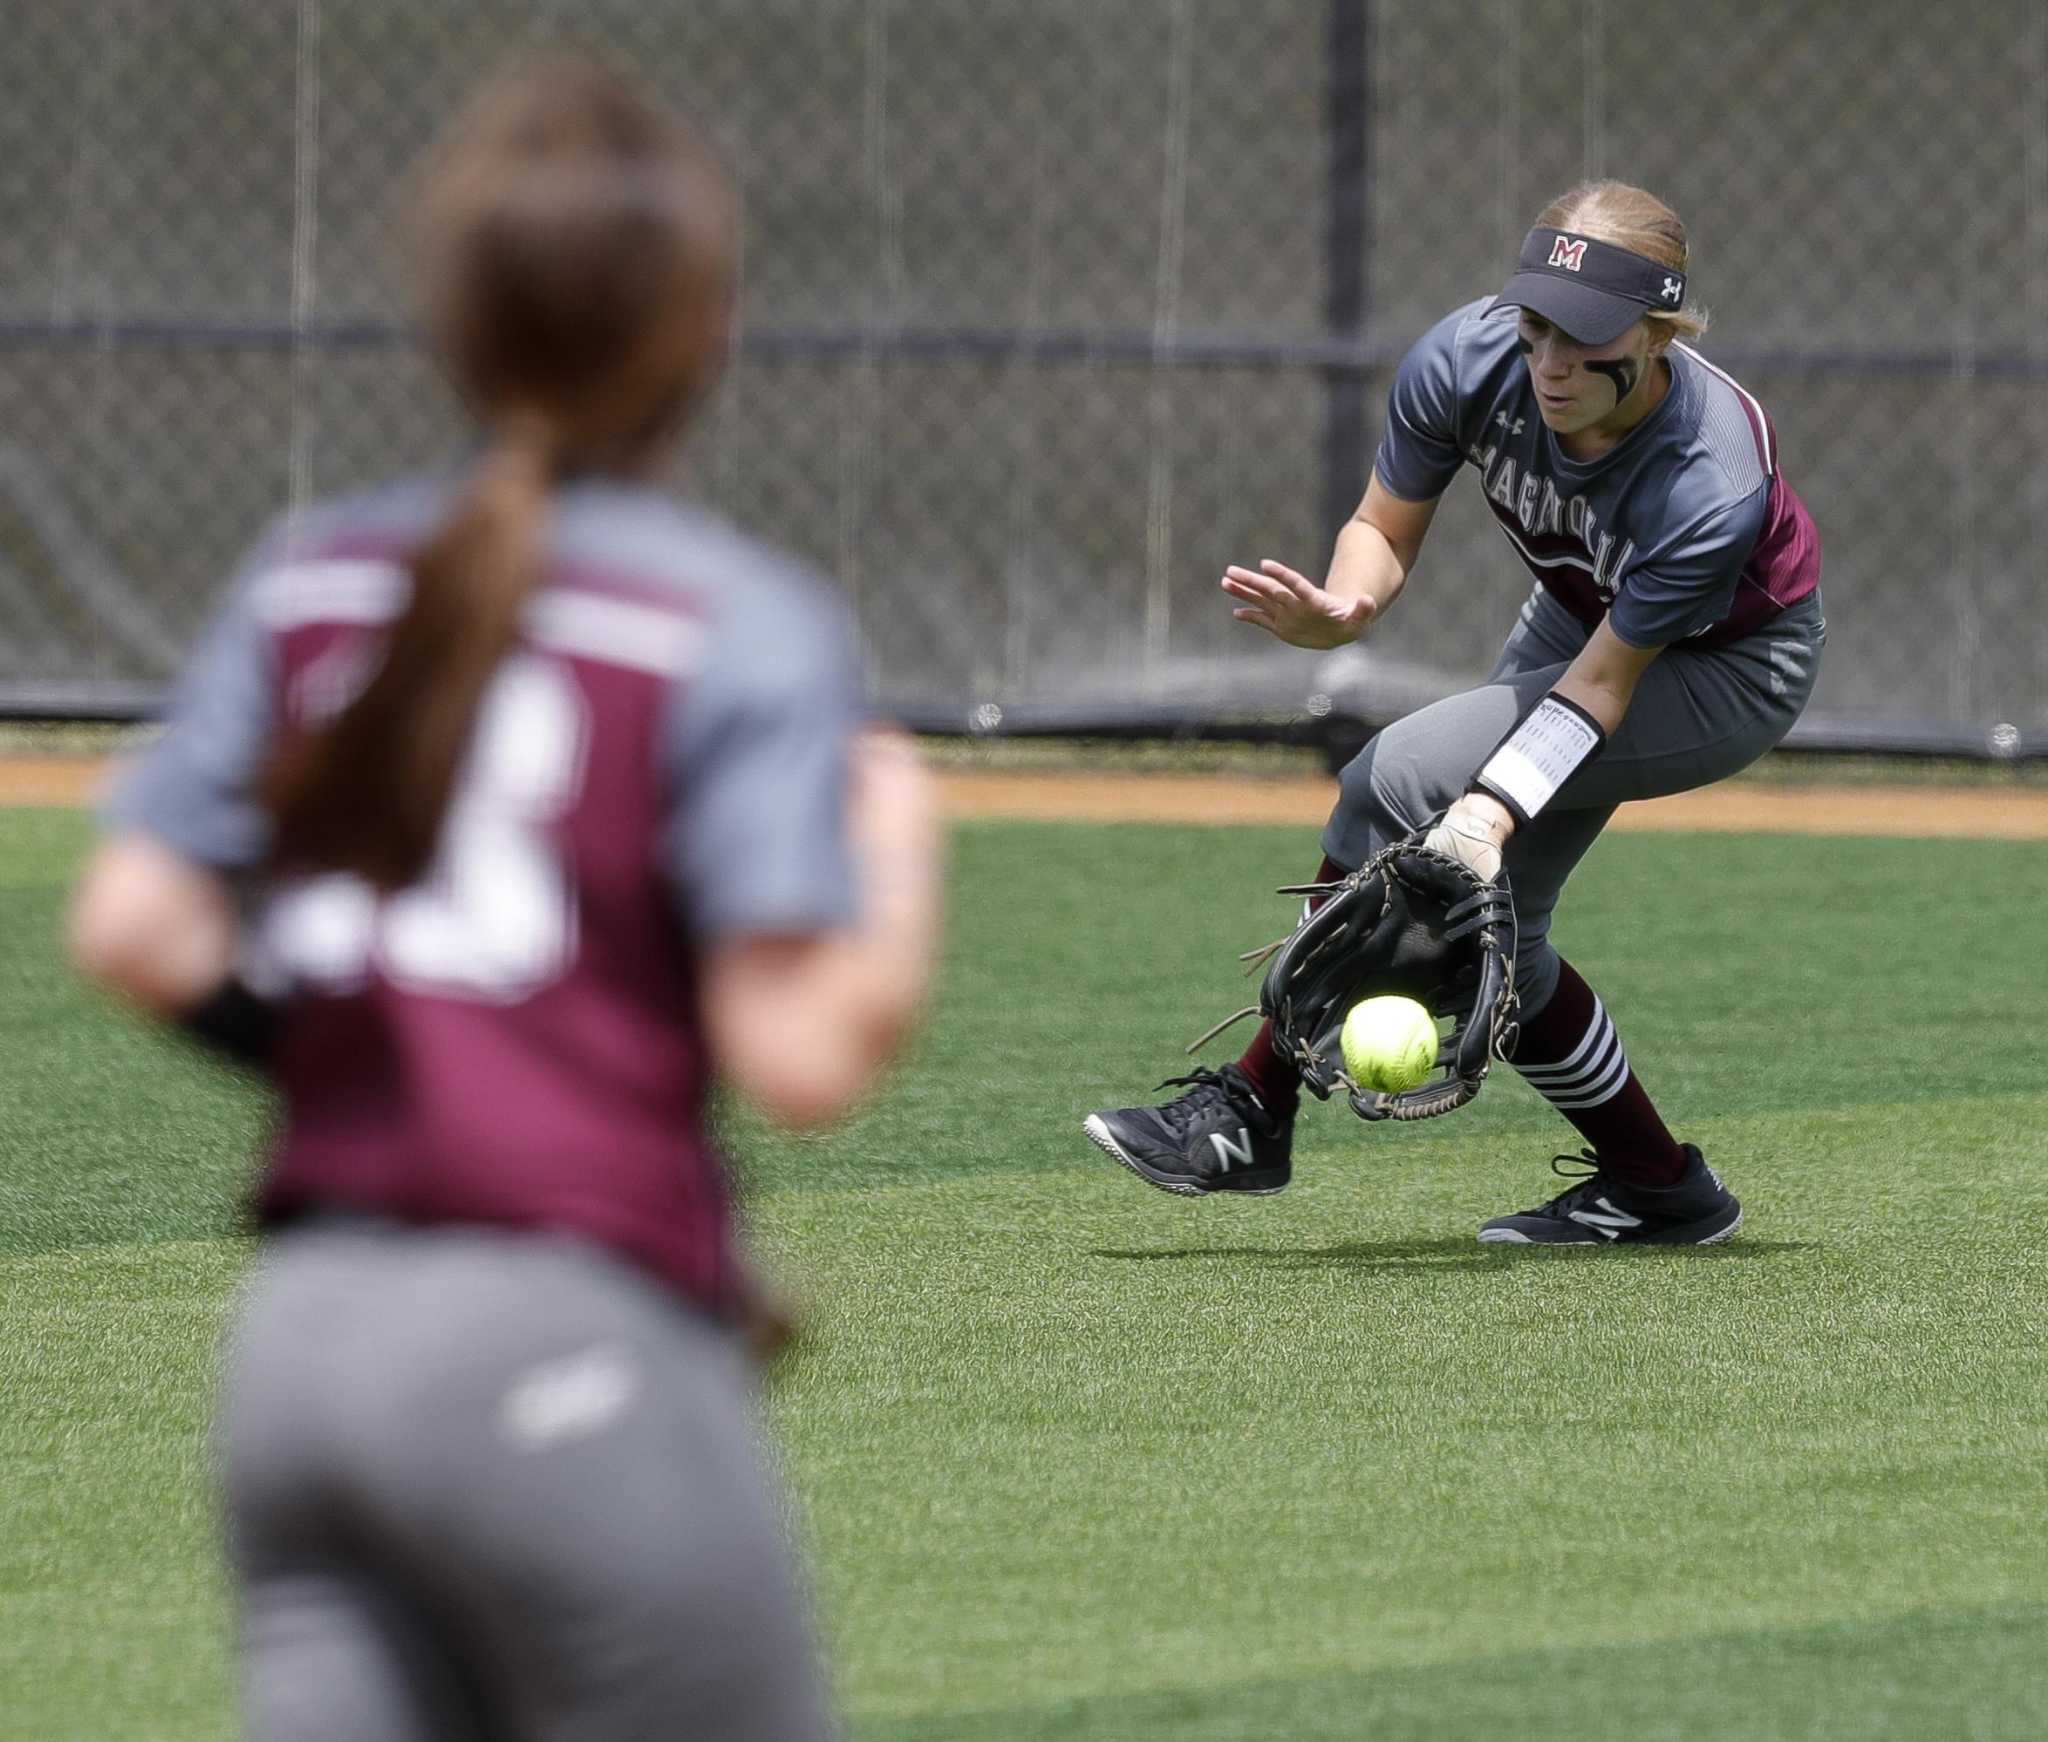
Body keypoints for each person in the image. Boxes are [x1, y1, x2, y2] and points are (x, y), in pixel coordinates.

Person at [68, 57, 941, 1741]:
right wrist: (897, 845)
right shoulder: (729, 615)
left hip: (298, 1355)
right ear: (701, 327)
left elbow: (136, 930)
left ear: (449, 318)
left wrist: (424, 1076)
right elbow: (805, 1053)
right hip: (565, 1354)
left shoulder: (313, 574)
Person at [1084, 180, 1822, 1246]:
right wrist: (1345, 607)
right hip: (1579, 616)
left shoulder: (1709, 472)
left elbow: (1605, 685)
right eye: (1535, 327)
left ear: (1659, 334)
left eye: (1585, 336)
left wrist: (1484, 809)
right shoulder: (1467, 358)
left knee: (1398, 780)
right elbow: (1381, 526)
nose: (1551, 362)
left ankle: (1254, 1109)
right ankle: (1659, 1186)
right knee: (1496, 931)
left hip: (1726, 666)